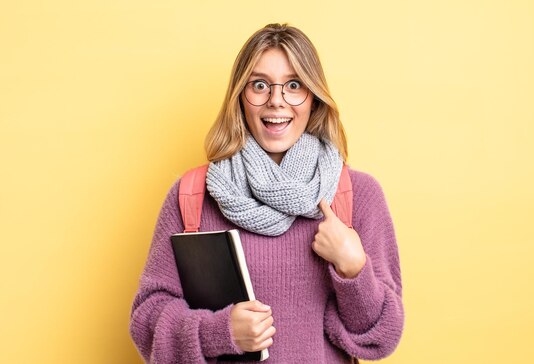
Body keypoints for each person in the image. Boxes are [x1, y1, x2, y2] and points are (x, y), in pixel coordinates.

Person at [129, 23, 404, 363]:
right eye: (260, 85)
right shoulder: (193, 196)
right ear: (240, 97)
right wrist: (219, 332)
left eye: (294, 85)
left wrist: (353, 267)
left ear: (314, 98)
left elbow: (383, 336)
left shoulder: (357, 195)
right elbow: (146, 322)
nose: (276, 101)